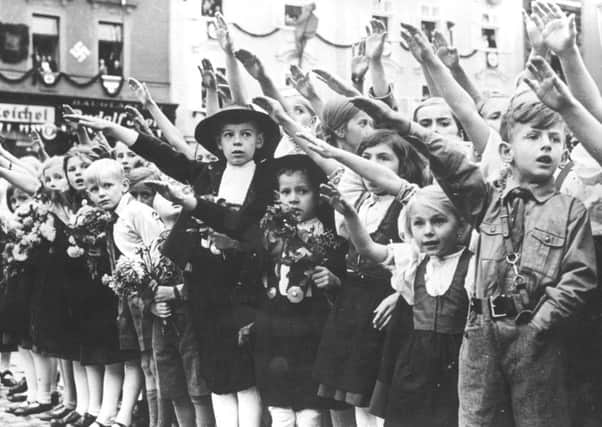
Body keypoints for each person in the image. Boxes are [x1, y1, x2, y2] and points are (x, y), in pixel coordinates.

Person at [350, 92, 597, 426]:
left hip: (536, 334)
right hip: (481, 331)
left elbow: (578, 276)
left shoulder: (570, 210)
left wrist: (541, 324)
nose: (546, 146)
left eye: (555, 139)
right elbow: (453, 167)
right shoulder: (488, 200)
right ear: (506, 152)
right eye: (534, 137)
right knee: (476, 418)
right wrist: (407, 127)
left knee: (538, 419)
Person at [64, 103, 281, 427]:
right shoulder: (208, 175)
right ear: (218, 144)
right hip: (205, 286)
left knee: (244, 374)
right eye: (229, 135)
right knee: (216, 372)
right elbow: (164, 156)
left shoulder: (266, 180)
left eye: (246, 135)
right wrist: (115, 130)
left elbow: (248, 228)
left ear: (260, 142)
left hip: (244, 288)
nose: (237, 142)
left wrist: (206, 216)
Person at [322, 183, 472, 427]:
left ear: (461, 225)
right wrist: (350, 215)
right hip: (415, 365)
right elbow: (369, 249)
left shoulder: (472, 265)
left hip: (456, 366)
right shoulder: (414, 262)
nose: (428, 231)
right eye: (419, 223)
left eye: (439, 221)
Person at [253, 154, 346, 426]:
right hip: (276, 324)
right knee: (278, 394)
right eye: (286, 192)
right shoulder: (270, 234)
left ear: (318, 195)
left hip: (314, 324)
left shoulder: (332, 236)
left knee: (310, 402)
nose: (293, 199)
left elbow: (342, 278)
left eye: (302, 191)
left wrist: (333, 281)